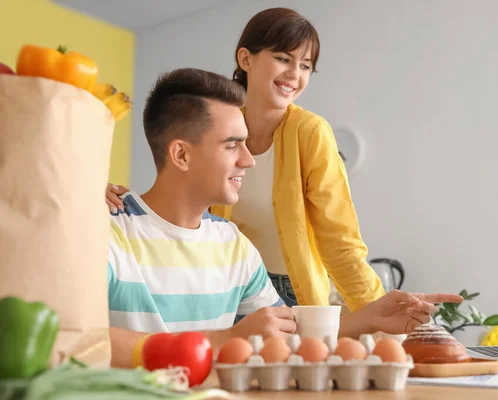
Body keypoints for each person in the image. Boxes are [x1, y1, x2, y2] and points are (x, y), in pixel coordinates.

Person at [108, 68, 463, 368]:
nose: (248, 160)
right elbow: (77, 340)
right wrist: (224, 339)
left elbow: (290, 330)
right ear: (181, 154)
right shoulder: (106, 232)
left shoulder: (234, 246)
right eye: (232, 144)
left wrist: (370, 318)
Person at [106, 8, 386, 312]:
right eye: (283, 58)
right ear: (245, 59)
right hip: (222, 281)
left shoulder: (310, 133)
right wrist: (108, 198)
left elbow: (340, 242)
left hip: (293, 294)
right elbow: (182, 189)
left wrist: (382, 315)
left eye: (306, 65)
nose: (295, 74)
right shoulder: (213, 123)